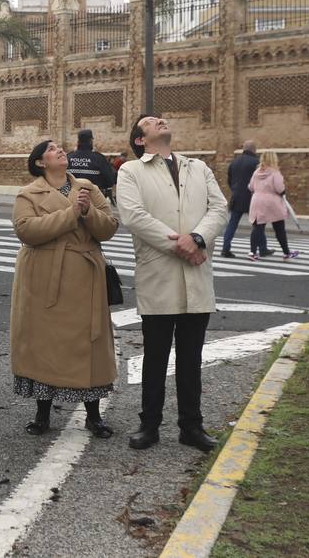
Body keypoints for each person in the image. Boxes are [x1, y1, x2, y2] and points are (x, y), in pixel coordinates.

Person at [115, 114, 226, 452]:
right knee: (156, 356)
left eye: (161, 118)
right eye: (151, 121)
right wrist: (182, 244)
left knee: (192, 357)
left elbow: (219, 208)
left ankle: (191, 426)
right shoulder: (130, 171)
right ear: (140, 140)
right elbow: (134, 217)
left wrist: (198, 238)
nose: (160, 120)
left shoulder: (198, 167)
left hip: (196, 271)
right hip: (159, 272)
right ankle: (149, 425)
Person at [11, 140, 119, 438]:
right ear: (40, 163)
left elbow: (109, 226)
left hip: (85, 274)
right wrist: (73, 213)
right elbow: (27, 230)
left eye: (61, 147)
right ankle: (42, 413)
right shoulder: (28, 193)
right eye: (52, 149)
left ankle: (93, 415)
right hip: (44, 277)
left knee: (90, 341)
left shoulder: (87, 187)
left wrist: (88, 213)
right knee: (43, 343)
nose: (61, 150)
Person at [248, 151, 299, 262]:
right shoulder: (275, 173)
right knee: (279, 228)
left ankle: (252, 252)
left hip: (257, 201)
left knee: (257, 227)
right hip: (272, 202)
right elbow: (280, 189)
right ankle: (286, 252)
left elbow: (251, 187)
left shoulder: (256, 172)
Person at [220, 141, 263, 258]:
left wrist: (234, 190)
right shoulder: (256, 162)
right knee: (258, 224)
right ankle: (263, 248)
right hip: (251, 197)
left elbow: (229, 179)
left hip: (236, 197)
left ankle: (225, 248)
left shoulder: (234, 162)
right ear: (254, 150)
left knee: (232, 224)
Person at [66, 129, 116, 201]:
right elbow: (110, 180)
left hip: (71, 199)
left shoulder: (68, 157)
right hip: (94, 200)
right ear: (90, 141)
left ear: (78, 142)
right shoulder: (99, 158)